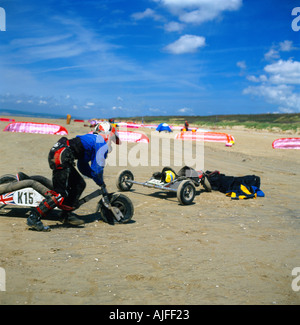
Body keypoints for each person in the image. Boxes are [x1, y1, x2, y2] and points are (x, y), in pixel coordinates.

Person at [27, 121, 121, 231]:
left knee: (79, 184)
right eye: (113, 139)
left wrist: (95, 178)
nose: (112, 143)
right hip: (62, 156)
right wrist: (100, 182)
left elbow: (82, 166)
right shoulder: (101, 143)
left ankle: (65, 215)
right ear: (108, 134)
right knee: (59, 193)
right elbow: (97, 169)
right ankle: (34, 217)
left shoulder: (92, 139)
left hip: (61, 154)